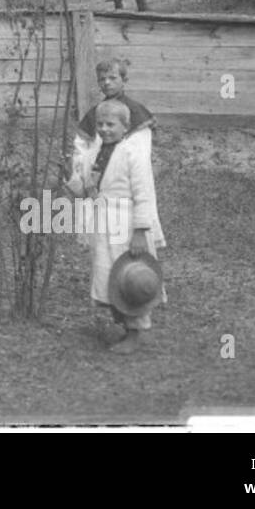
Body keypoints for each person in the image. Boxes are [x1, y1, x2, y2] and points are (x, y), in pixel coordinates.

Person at [64, 98, 166, 354]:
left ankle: (136, 330)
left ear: (125, 126)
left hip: (126, 222)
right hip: (104, 221)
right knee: (109, 273)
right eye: (100, 124)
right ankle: (124, 324)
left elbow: (143, 193)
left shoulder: (133, 153)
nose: (105, 129)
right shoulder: (95, 152)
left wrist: (141, 232)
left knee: (129, 274)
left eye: (111, 124)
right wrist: (71, 179)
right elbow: (88, 187)